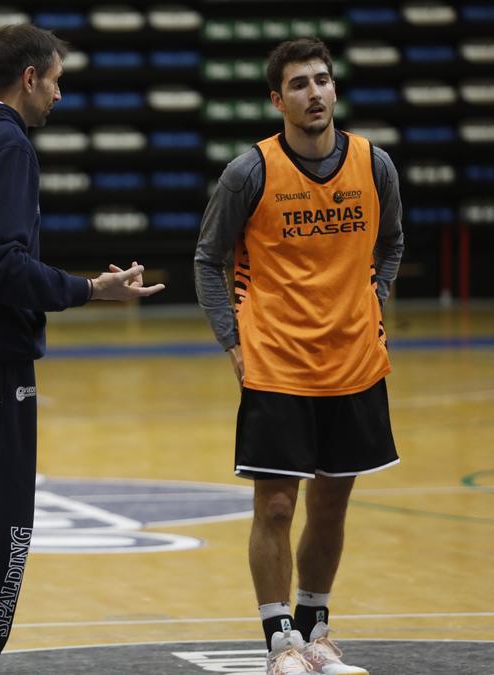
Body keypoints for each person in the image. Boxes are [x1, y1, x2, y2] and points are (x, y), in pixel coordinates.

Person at [0, 23, 165, 675]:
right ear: (29, 78)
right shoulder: (5, 144)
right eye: (57, 81)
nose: (60, 96)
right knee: (1, 532)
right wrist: (90, 289)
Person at [194, 38, 404, 675]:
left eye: (322, 81)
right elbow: (208, 258)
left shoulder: (375, 165)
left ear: (335, 89)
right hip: (278, 361)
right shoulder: (249, 172)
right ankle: (279, 641)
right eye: (299, 85)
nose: (313, 93)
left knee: (332, 504)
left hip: (354, 363)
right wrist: (233, 343)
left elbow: (390, 242)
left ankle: (317, 631)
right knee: (277, 506)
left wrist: (375, 299)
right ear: (276, 99)